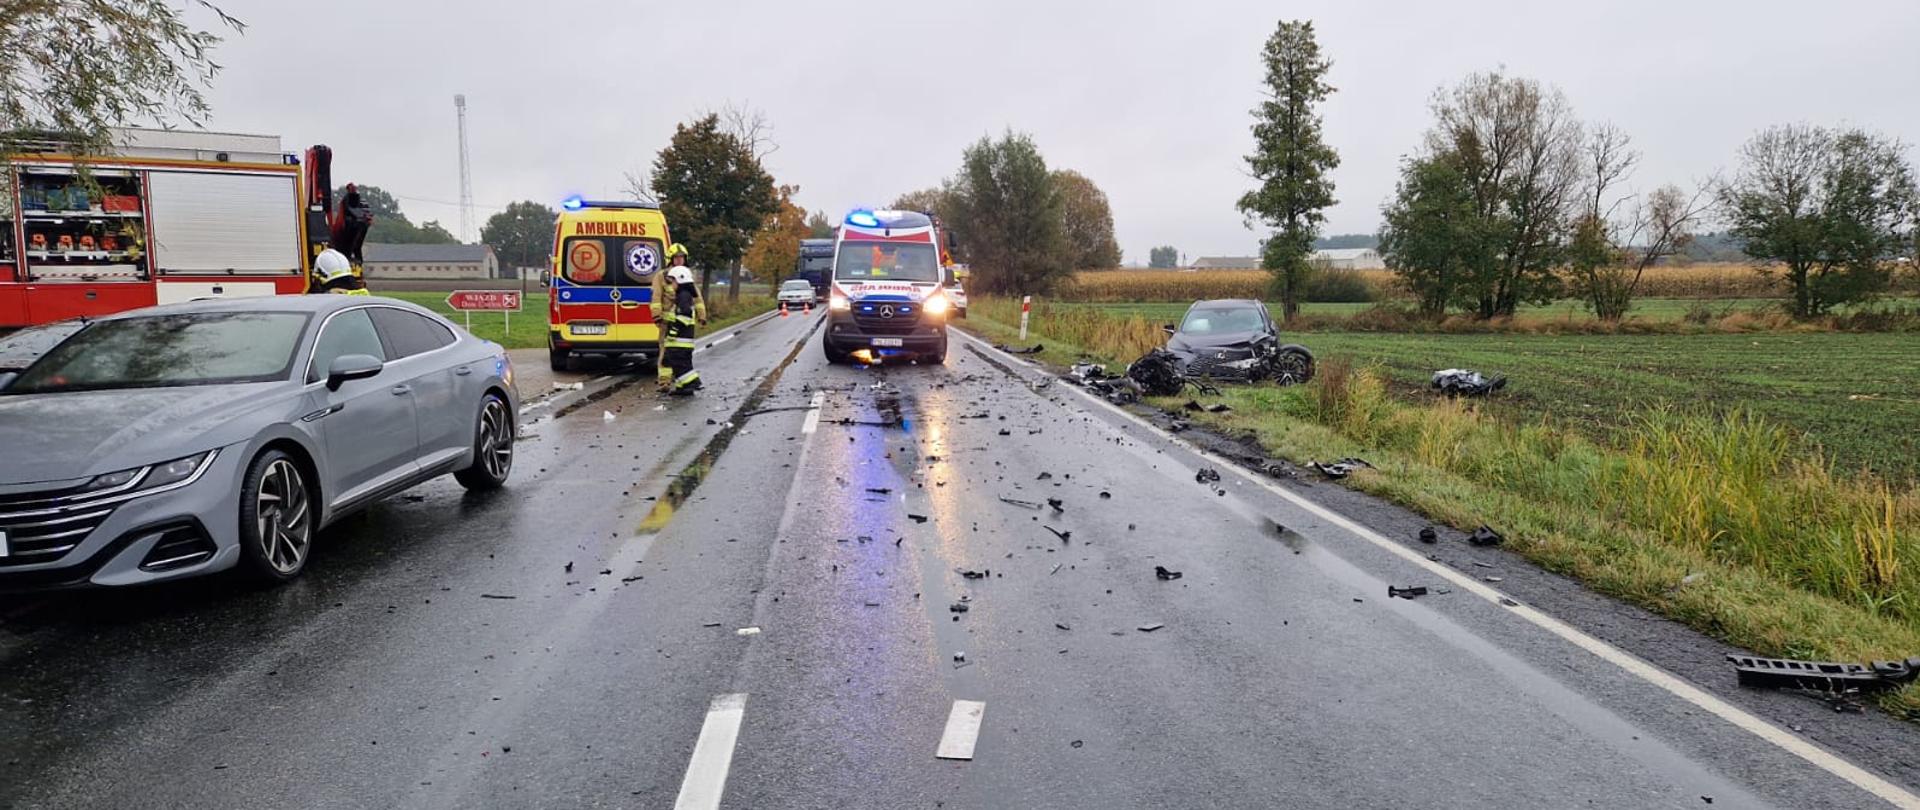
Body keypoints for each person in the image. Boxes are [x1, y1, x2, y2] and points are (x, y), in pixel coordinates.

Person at [655, 245, 706, 394]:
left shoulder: (685, 276)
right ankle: (666, 382)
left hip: (679, 325)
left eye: (681, 257)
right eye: (676, 257)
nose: (679, 260)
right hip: (667, 321)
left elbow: (697, 299)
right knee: (667, 354)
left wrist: (702, 316)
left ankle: (688, 382)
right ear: (670, 259)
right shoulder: (662, 276)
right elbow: (656, 297)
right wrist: (657, 315)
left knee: (676, 357)